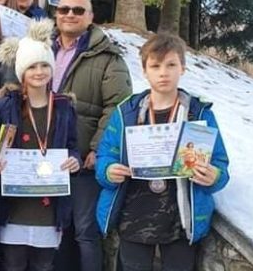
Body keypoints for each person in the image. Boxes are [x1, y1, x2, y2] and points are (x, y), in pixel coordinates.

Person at [96, 33, 230, 271]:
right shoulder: (126, 112)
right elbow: (106, 155)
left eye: (171, 65)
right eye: (155, 66)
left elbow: (219, 162)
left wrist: (215, 176)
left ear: (183, 68)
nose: (163, 73)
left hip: (180, 220)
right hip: (134, 215)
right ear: (144, 71)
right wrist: (108, 170)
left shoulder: (198, 114)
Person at [0, 18, 80, 271]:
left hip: (48, 206)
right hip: (14, 204)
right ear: (21, 71)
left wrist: (74, 160)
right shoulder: (6, 105)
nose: (39, 71)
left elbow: (72, 145)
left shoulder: (64, 107)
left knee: (43, 264)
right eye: (32, 66)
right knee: (12, 263)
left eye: (44, 65)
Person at [51, 0, 132, 271]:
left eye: (78, 10)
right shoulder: (43, 49)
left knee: (85, 231)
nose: (69, 14)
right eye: (63, 9)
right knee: (55, 230)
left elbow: (117, 107)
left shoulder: (108, 58)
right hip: (48, 158)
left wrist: (98, 148)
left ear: (90, 16)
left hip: (84, 158)